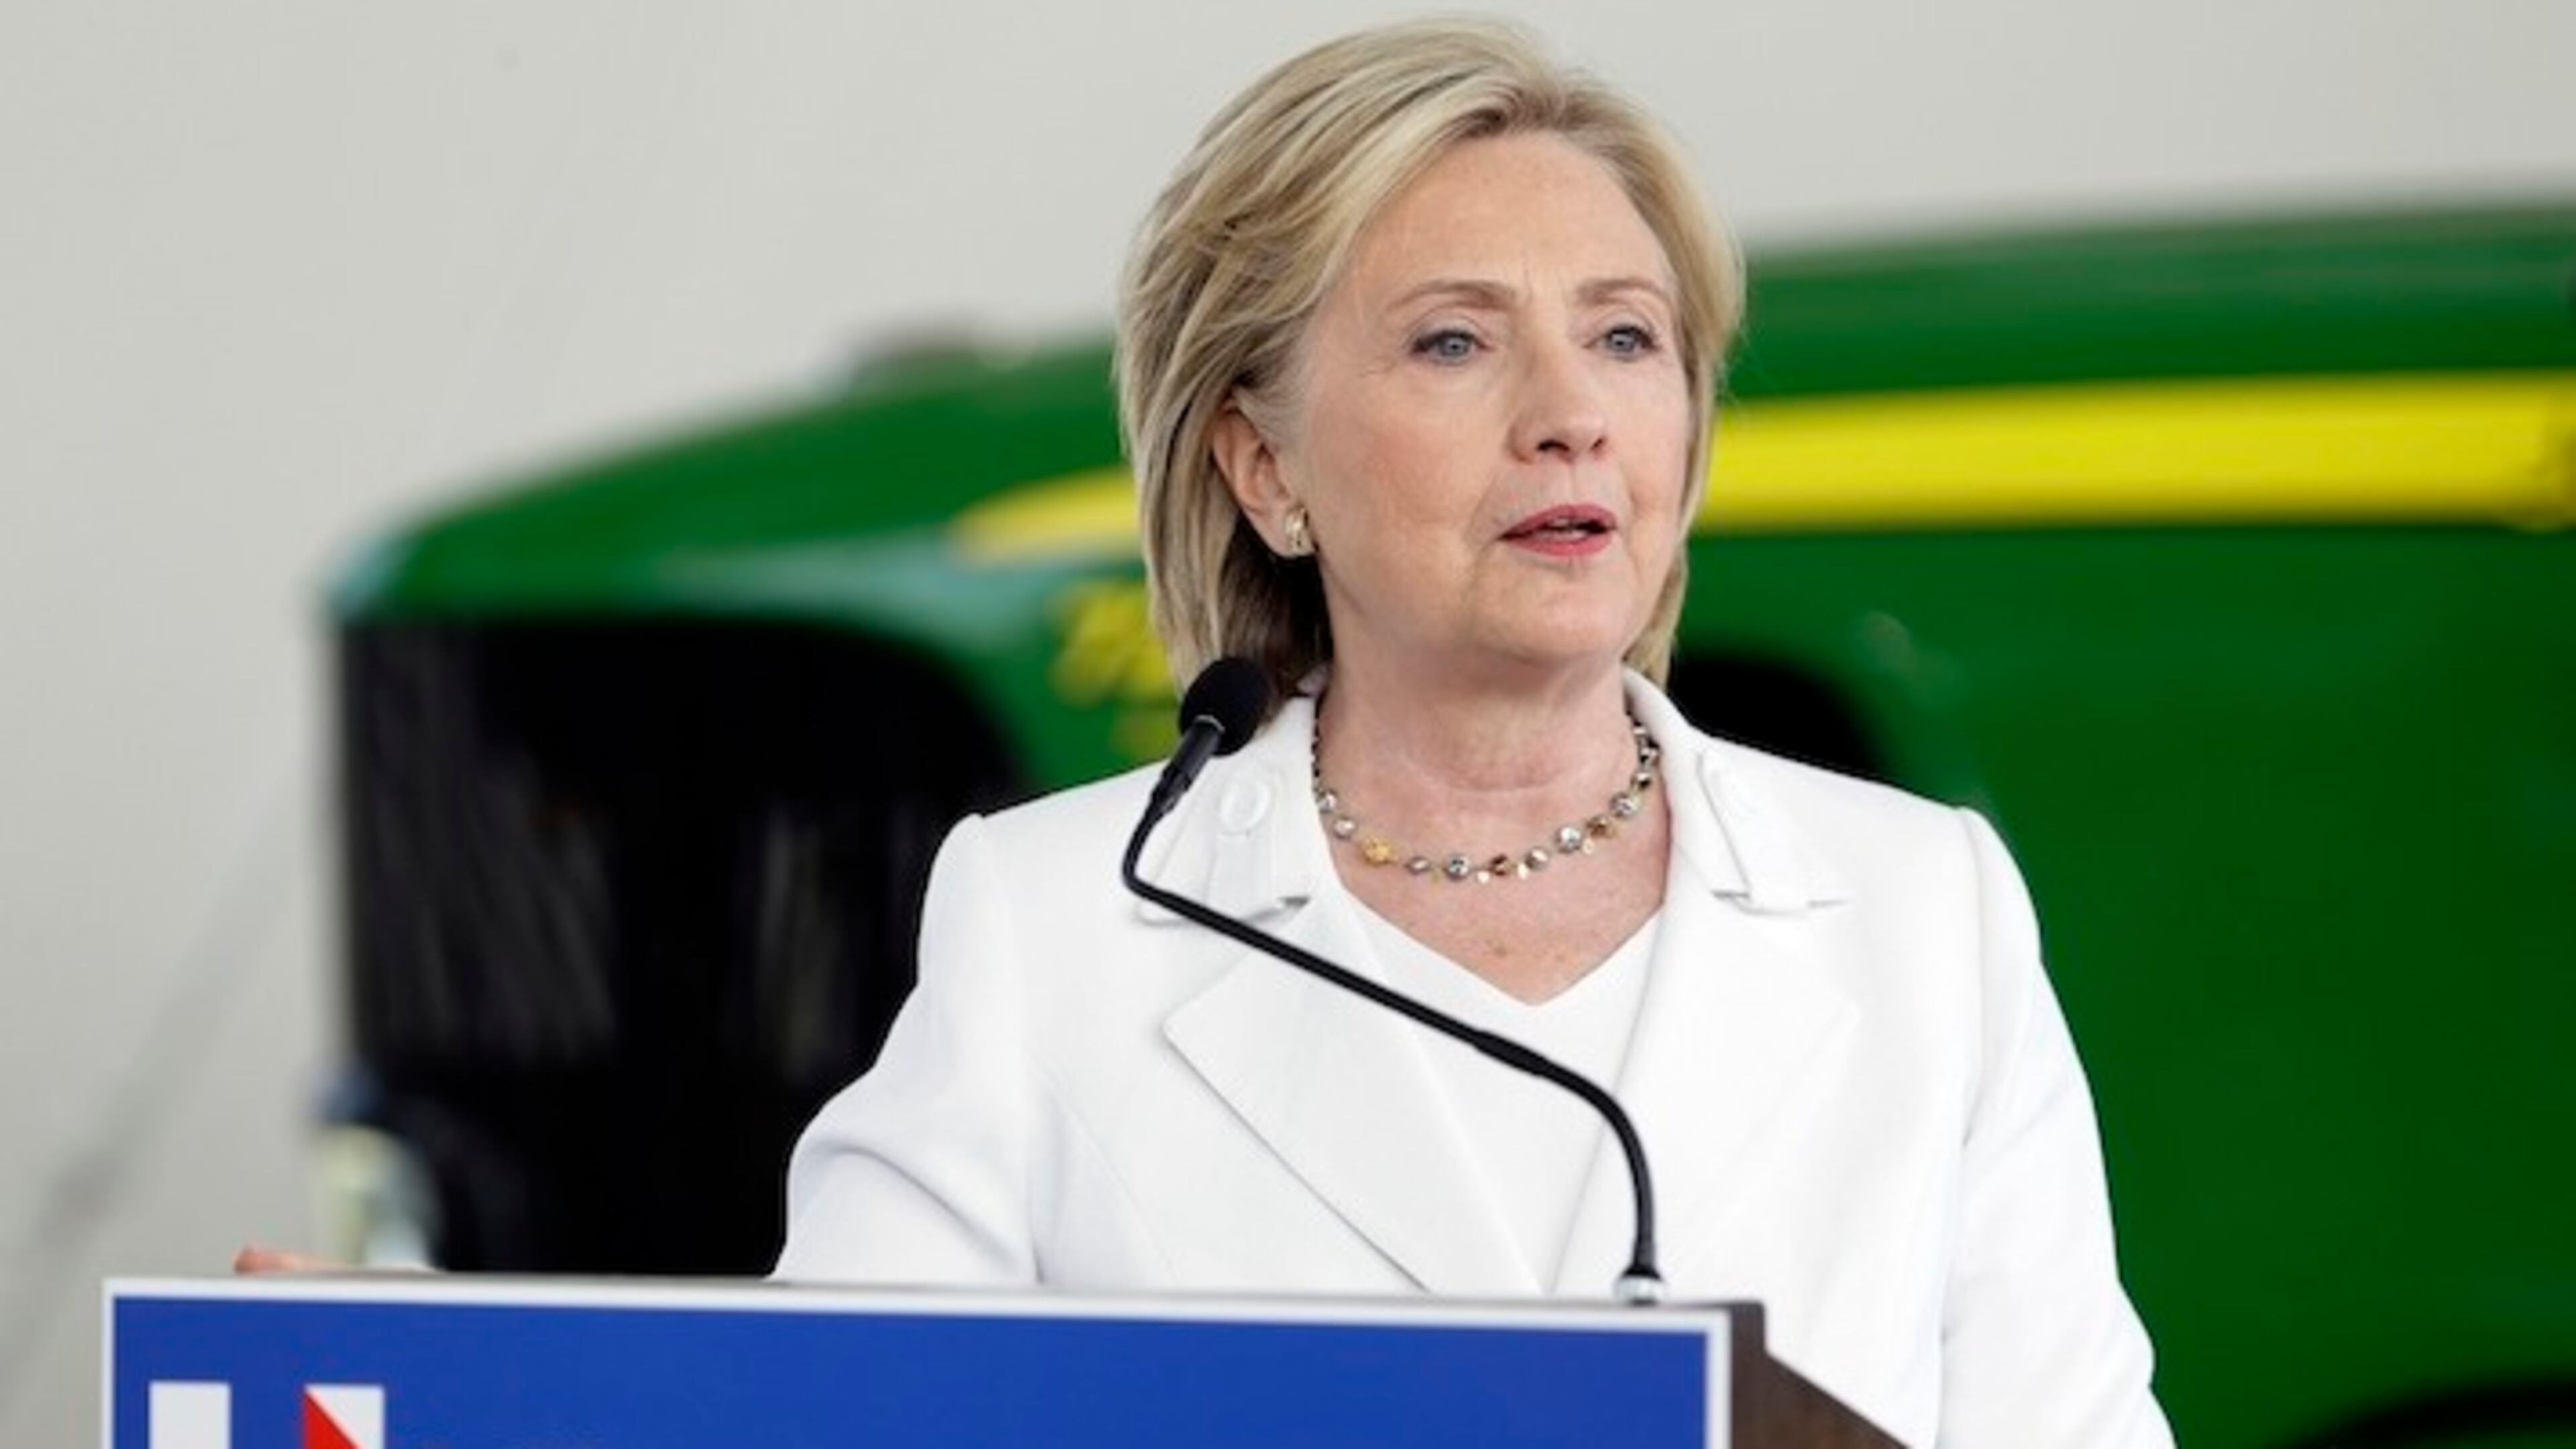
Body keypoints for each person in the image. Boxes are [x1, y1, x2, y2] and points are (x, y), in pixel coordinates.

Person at [775, 19, 2171, 1445]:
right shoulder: (1055, 926)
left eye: (1626, 337)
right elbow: (807, 1423)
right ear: (1266, 467)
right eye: (1456, 342)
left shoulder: (1927, 913)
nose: (1572, 417)